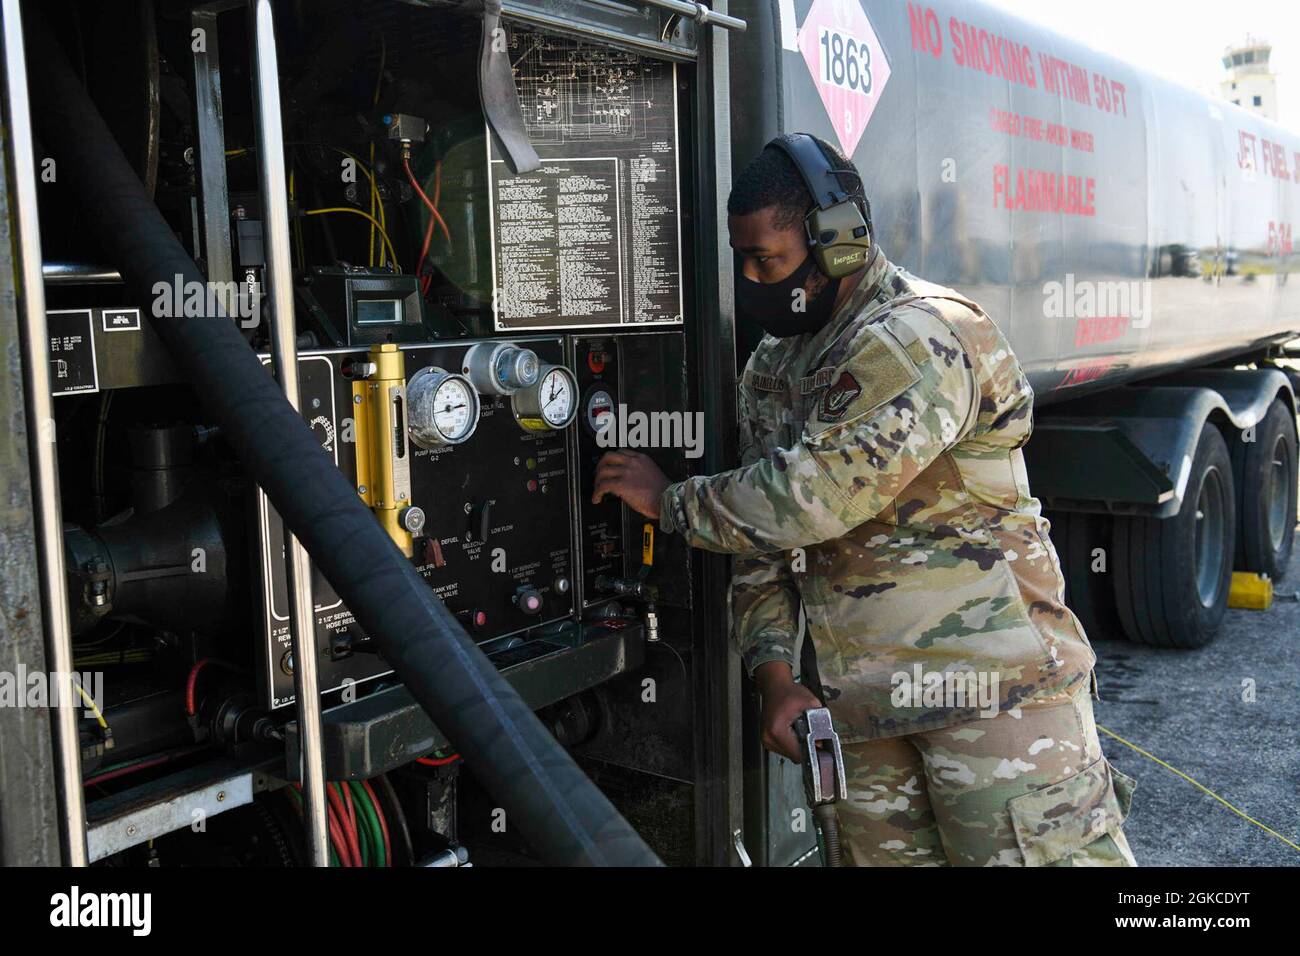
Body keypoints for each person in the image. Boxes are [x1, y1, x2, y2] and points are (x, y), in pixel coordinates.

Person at [592, 133, 1136, 867]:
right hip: (864, 713)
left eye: (768, 261)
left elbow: (814, 497)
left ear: (840, 242)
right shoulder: (775, 366)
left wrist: (674, 503)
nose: (751, 280)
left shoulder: (921, 333)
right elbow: (760, 547)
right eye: (743, 260)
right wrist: (775, 678)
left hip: (992, 699)